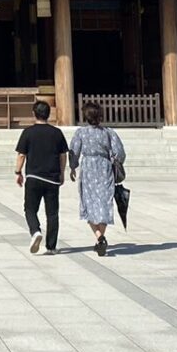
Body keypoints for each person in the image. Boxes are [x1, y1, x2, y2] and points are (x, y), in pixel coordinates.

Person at [68, 101, 127, 256]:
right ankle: (100, 236)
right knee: (104, 203)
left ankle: (99, 236)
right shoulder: (109, 133)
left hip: (88, 168)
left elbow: (74, 151)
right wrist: (114, 160)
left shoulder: (81, 133)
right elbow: (120, 153)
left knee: (89, 203)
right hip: (104, 168)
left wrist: (73, 167)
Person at [14, 100, 68, 254]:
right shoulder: (56, 133)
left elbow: (21, 155)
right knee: (52, 213)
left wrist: (18, 172)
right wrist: (62, 172)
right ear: (49, 114)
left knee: (30, 209)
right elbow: (63, 155)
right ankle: (51, 246)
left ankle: (35, 231)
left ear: (33, 114)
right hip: (52, 178)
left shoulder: (28, 132)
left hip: (33, 177)